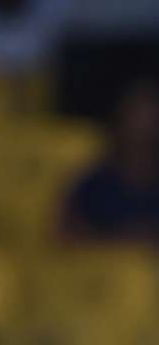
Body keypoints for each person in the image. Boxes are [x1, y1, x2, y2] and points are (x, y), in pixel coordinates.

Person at [58, 82, 159, 243]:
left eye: (152, 120)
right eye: (137, 117)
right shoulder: (94, 184)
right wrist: (121, 240)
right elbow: (64, 235)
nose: (144, 128)